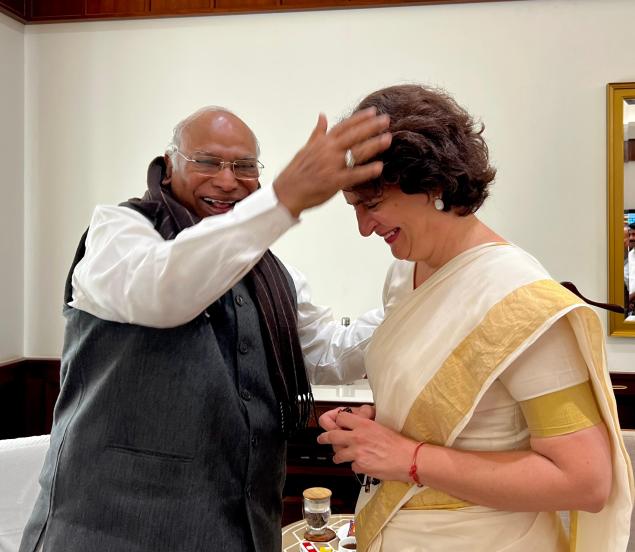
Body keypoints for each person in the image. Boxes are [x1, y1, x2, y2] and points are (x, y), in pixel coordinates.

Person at [19, 106, 391, 552]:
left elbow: (330, 352)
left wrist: (416, 291)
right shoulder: (119, 234)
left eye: (245, 166)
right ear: (168, 164)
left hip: (239, 533)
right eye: (208, 162)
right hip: (108, 533)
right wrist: (284, 198)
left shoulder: (272, 273)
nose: (229, 180)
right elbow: (165, 289)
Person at [317, 84, 633, 552]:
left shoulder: (520, 300)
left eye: (373, 204)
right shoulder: (404, 275)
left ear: (434, 184)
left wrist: (408, 457)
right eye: (355, 208)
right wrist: (384, 428)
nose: (364, 228)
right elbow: (460, 414)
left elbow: (584, 480)